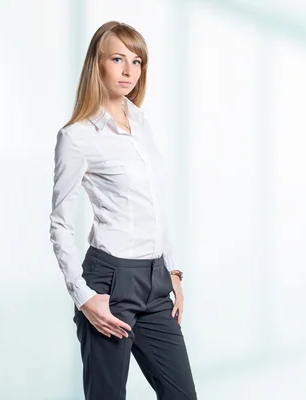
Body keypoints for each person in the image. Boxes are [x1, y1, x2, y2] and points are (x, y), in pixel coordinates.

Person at [49, 21, 197, 400]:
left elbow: (154, 205)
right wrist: (82, 296)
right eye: (118, 59)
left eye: (137, 61)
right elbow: (60, 224)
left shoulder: (141, 124)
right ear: (97, 64)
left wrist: (173, 269)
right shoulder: (77, 136)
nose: (129, 70)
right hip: (110, 282)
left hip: (155, 282)